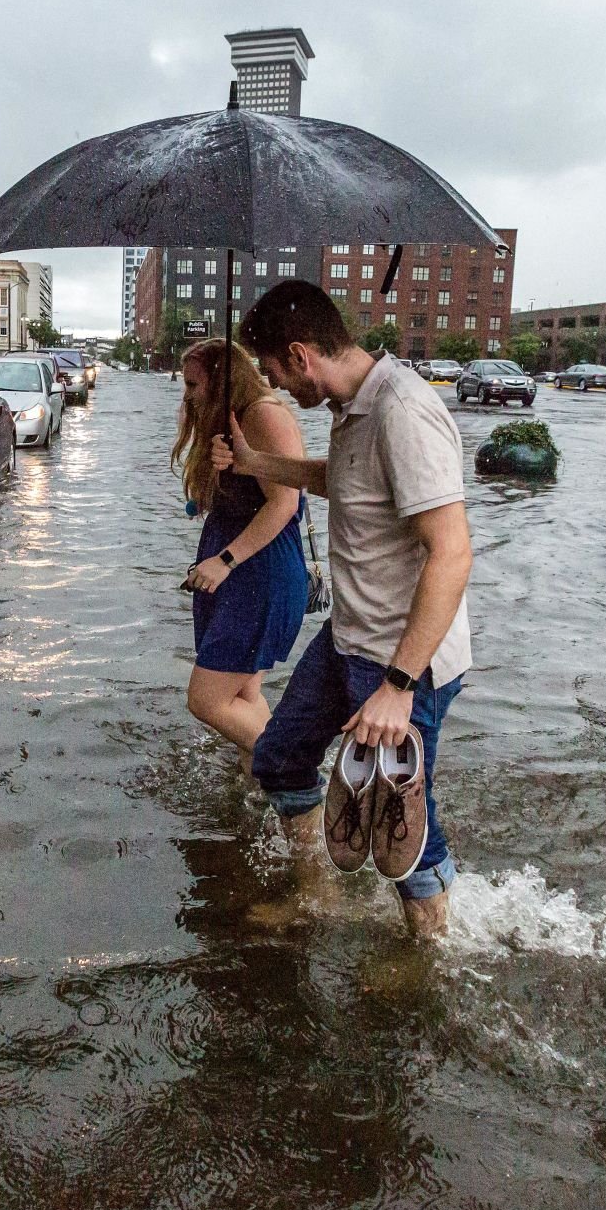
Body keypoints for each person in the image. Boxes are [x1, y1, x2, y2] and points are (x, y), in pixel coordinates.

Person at [211, 282, 473, 938]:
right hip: (348, 637)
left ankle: (429, 960)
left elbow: (452, 554)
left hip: (402, 660)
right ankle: (318, 897)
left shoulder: (402, 411)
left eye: (272, 371)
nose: (273, 385)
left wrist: (398, 687)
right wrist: (256, 462)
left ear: (300, 355)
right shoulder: (353, 406)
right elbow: (343, 480)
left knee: (401, 833)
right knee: (279, 758)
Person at [173, 338, 308, 770]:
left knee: (207, 700)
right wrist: (218, 468)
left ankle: (291, 770)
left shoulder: (263, 414)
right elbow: (219, 500)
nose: (188, 395)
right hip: (233, 574)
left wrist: (225, 560)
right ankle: (256, 808)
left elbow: (285, 504)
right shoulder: (229, 422)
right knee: (242, 696)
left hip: (256, 573)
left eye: (194, 385)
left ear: (221, 377)